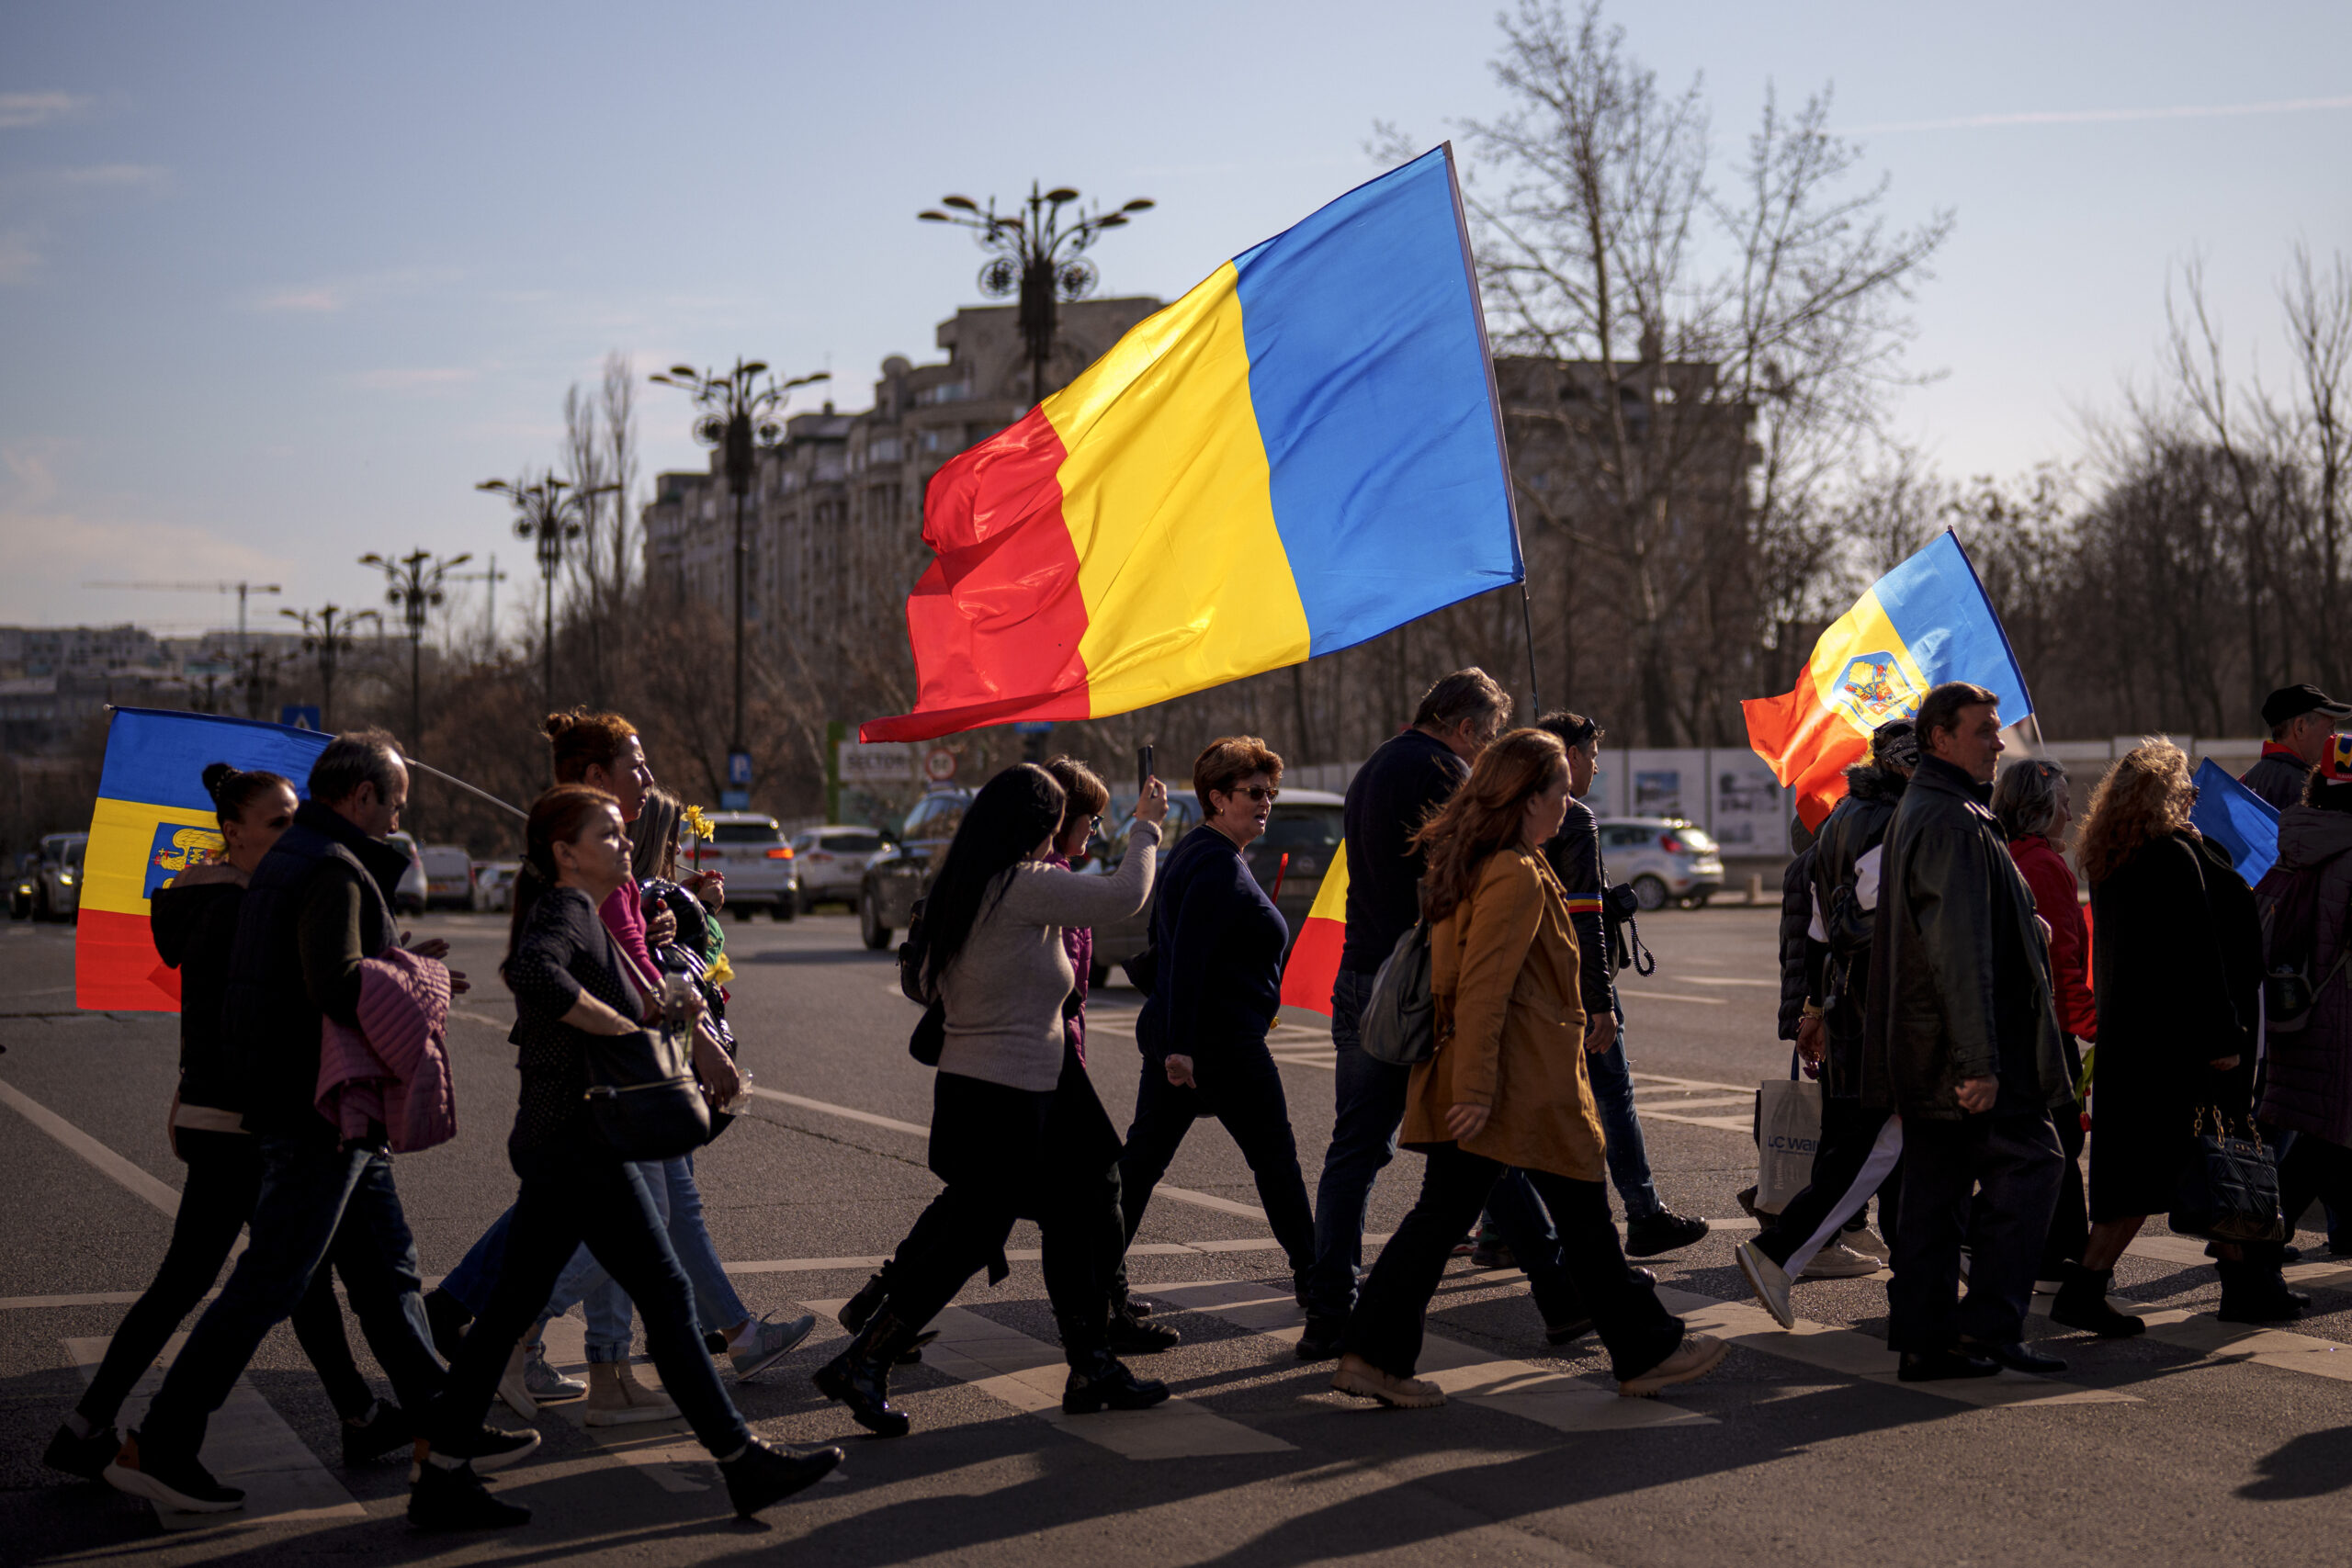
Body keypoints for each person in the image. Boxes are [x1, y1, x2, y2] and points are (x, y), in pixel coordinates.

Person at [412, 784, 841, 1529]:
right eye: (605, 834)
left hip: (572, 1144)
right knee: (666, 1297)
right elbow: (534, 976)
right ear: (564, 852)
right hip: (578, 1142)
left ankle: (442, 1470)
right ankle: (742, 1462)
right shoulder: (565, 908)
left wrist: (662, 1007)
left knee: (521, 1306)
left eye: (620, 832)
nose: (622, 843)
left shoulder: (594, 910)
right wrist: (623, 1028)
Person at [105, 731, 494, 1516]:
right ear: (361, 798)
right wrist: (420, 979)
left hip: (318, 1100)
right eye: (394, 805)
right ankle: (164, 1440)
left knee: (388, 1273)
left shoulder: (302, 860)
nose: (396, 821)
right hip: (322, 1103)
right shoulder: (330, 865)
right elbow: (337, 985)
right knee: (270, 1281)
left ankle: (444, 1432)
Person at [1330, 729, 1729, 1406]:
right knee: (1556, 1216)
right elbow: (1484, 985)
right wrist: (1478, 1089)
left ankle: (1376, 1353)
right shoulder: (1512, 871)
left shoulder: (1481, 860)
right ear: (1527, 797)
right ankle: (1646, 1349)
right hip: (1515, 1083)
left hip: (1505, 1079)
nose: (1568, 805)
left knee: (1534, 1217)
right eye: (1559, 792)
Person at [428, 716, 807, 1414]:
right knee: (633, 1226)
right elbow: (549, 975)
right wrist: (683, 1039)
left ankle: (601, 1372)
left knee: (629, 1229)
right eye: (635, 764)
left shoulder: (611, 877)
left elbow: (631, 969)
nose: (649, 778)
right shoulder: (574, 887)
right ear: (595, 781)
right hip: (595, 1091)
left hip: (619, 1082)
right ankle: (506, 1343)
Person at [45, 765, 402, 1483]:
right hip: (246, 1115)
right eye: (278, 822)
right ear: (232, 834)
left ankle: (358, 1412)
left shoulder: (220, 898)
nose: (292, 833)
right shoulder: (242, 907)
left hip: (221, 1110)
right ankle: (127, 1432)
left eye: (296, 818)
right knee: (258, 1275)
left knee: (280, 1273)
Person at [818, 764, 1171, 1437]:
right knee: (974, 1235)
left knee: (1086, 1200)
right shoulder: (1020, 884)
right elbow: (1125, 894)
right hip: (1007, 1093)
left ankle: (1091, 1361)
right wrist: (1147, 825)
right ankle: (865, 1358)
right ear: (1034, 825)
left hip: (1015, 1085)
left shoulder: (967, 882)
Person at [1861, 683, 2072, 1382]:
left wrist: (2024, 926)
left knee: (1936, 1191)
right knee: (2034, 1164)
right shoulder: (1951, 819)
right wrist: (1979, 1063)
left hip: (1932, 1046)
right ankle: (1987, 1326)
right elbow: (1957, 950)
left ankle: (1927, 1339)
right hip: (1969, 1051)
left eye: (1997, 729)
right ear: (1939, 739)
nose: (1999, 742)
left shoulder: (1942, 808)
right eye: (1983, 730)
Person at [1302, 669, 1512, 1359]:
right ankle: (1559, 1275)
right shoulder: (1443, 771)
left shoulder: (1374, 766)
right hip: (1415, 982)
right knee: (1472, 1133)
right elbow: (1451, 882)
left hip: (1360, 971)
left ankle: (1329, 1304)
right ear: (1468, 727)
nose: (1487, 753)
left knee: (1356, 1147)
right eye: (1488, 738)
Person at [2054, 740, 2297, 1332]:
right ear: (2161, 794)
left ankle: (2244, 1284)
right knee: (2172, 1169)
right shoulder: (2171, 855)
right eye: (2184, 784)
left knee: (2205, 1163)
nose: (2193, 793)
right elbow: (2199, 956)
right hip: (2185, 1047)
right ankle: (2086, 1287)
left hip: (2139, 1042)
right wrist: (2221, 1037)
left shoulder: (2118, 853)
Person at [1117, 738, 1318, 1303]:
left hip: (1193, 1035)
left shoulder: (1209, 853)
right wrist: (1180, 1047)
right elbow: (1187, 958)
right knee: (1275, 1161)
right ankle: (1320, 1282)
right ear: (1217, 797)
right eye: (1254, 792)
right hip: (1219, 1043)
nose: (1266, 802)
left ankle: (1093, 1281)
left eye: (1269, 792)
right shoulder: (1210, 862)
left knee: (1141, 1166)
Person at [1735, 720, 1916, 1327]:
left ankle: (1920, 1287)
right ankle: (1778, 1253)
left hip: (1849, 1015)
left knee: (1888, 1157)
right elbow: (1880, 933)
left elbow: (1818, 936)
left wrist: (1815, 1010)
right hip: (1885, 1018)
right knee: (1872, 1151)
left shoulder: (1840, 821)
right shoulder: (1897, 824)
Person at [1533, 711, 1710, 1256]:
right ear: (1570, 757)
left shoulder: (1503, 816)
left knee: (1534, 1107)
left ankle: (1507, 1230)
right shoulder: (1575, 817)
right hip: (1576, 988)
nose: (1594, 767)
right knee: (1608, 1099)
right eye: (1591, 755)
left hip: (1529, 987)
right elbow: (1584, 917)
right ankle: (1642, 1214)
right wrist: (1601, 1000)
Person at [1994, 758, 2096, 1288]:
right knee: (2057, 1141)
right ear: (2042, 808)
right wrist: (2089, 1022)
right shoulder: (2045, 866)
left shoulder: (2008, 855)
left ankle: (2058, 1253)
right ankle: (2057, 1255)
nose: (2072, 813)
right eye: (2063, 801)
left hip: (2019, 1024)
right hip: (2047, 1031)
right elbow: (2062, 961)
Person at [2259, 739, 2352, 1272]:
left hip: (2295, 1007)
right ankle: (2259, 1245)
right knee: (2323, 1140)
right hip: (2340, 1016)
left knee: (2326, 1135)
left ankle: (2257, 1244)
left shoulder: (2293, 840)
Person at [2243, 684, 2352, 811]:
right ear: (2300, 728)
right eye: (2330, 728)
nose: (2334, 737)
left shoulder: (2247, 780)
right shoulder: (2307, 787)